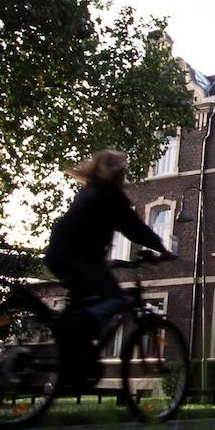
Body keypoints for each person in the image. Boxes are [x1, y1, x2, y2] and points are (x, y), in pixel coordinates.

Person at [44, 149, 174, 352]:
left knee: (82, 304)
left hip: (59, 255)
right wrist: (161, 248)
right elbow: (134, 228)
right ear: (114, 173)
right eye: (123, 172)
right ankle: (79, 331)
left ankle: (73, 357)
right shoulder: (109, 195)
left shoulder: (90, 191)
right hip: (79, 258)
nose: (125, 176)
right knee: (116, 298)